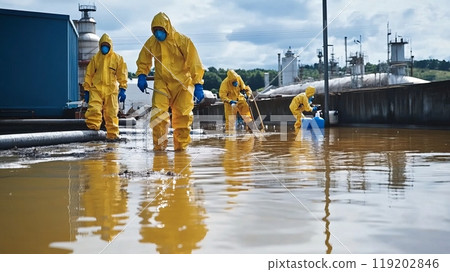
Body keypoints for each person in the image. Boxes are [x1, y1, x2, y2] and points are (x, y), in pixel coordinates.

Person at [135, 12, 205, 151]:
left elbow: (194, 63)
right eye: (155, 31)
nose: (158, 34)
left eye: (160, 30)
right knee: (158, 116)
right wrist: (142, 74)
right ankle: (159, 151)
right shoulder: (152, 42)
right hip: (162, 83)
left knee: (183, 118)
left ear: (167, 28)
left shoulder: (183, 41)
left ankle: (181, 151)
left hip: (183, 84)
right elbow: (144, 58)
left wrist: (198, 84)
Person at [83, 33, 128, 141]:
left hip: (111, 90)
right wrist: (87, 90)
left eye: (107, 46)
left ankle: (113, 137)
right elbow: (89, 74)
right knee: (94, 110)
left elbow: (122, 73)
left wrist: (123, 88)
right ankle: (93, 134)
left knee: (111, 114)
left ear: (110, 46)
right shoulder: (95, 59)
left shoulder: (117, 58)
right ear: (99, 46)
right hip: (96, 89)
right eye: (103, 45)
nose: (104, 48)